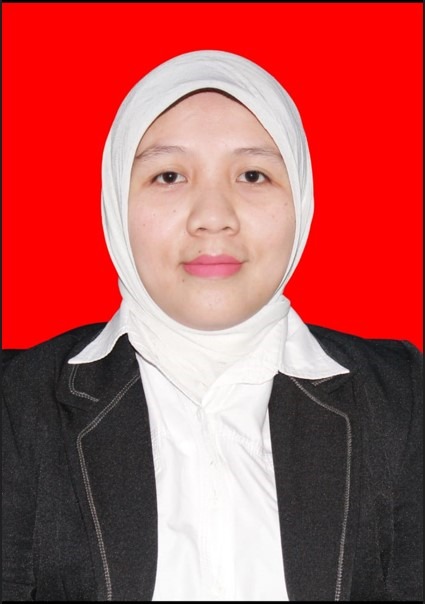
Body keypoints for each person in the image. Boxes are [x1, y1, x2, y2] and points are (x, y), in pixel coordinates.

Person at [2, 50, 422, 602]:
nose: (213, 217)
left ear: (300, 196)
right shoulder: (17, 402)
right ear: (116, 201)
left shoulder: (401, 397)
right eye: (168, 176)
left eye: (253, 175)